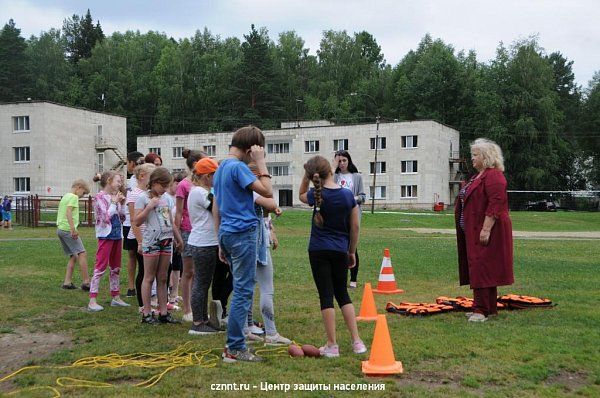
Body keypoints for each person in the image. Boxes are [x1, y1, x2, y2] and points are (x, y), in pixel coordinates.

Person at [213, 126, 273, 363]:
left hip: (228, 232)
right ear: (250, 149)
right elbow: (267, 193)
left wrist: (220, 240)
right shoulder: (238, 167)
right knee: (243, 291)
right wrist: (260, 163)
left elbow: (218, 205)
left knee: (240, 288)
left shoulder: (220, 167)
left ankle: (234, 343)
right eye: (257, 151)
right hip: (242, 233)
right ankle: (235, 347)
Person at [299, 155, 366, 358]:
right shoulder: (347, 196)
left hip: (318, 250)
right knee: (342, 294)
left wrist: (307, 175)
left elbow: (300, 194)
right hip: (340, 250)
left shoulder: (315, 194)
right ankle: (357, 342)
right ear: (331, 169)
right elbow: (355, 226)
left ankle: (332, 345)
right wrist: (351, 251)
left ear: (313, 176)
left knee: (326, 296)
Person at [455, 138, 514, 323]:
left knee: (482, 267)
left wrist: (486, 229)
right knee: (482, 267)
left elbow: (496, 203)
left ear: (486, 157)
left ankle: (480, 310)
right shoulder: (477, 176)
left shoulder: (494, 176)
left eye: (475, 155)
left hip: (488, 229)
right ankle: (488, 308)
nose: (472, 158)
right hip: (474, 229)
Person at [134, 167, 183, 325]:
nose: (164, 189)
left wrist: (178, 238)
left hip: (166, 241)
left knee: (163, 277)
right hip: (151, 241)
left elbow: (170, 220)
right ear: (154, 183)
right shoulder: (143, 198)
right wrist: (149, 207)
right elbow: (137, 221)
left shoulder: (167, 199)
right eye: (163, 186)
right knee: (149, 277)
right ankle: (147, 313)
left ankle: (163, 312)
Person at [186, 157, 222, 335]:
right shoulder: (200, 193)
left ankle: (203, 318)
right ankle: (198, 322)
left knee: (203, 282)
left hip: (204, 241)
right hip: (204, 243)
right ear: (207, 176)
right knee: (201, 283)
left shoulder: (200, 191)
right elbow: (218, 208)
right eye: (216, 175)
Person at [88, 171, 130, 312]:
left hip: (117, 235)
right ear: (109, 181)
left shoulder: (114, 197)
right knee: (100, 267)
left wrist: (122, 204)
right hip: (105, 236)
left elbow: (122, 217)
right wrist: (114, 202)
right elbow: (105, 217)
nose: (120, 184)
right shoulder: (99, 197)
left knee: (116, 268)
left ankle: (116, 297)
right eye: (118, 181)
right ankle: (92, 300)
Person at [175, 149, 206, 322]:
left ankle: (198, 308)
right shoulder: (184, 185)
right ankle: (187, 309)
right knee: (188, 272)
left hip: (202, 231)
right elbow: (179, 212)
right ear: (196, 165)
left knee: (199, 272)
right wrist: (178, 236)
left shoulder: (203, 184)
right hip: (187, 231)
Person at [332, 150, 365, 288]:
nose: (342, 163)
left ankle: (353, 279)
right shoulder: (334, 176)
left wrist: (351, 199)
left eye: (344, 160)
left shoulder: (356, 177)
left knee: (352, 247)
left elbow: (362, 197)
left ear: (349, 161)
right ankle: (339, 278)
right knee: (338, 247)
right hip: (337, 216)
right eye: (339, 161)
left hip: (352, 215)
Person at [126, 163, 156, 310]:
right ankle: (142, 304)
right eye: (153, 176)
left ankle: (150, 300)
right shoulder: (134, 194)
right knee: (144, 271)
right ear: (142, 176)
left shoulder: (149, 194)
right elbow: (133, 220)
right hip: (139, 238)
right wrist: (140, 242)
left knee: (149, 271)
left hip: (149, 237)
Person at [57, 180, 91, 290]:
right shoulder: (73, 197)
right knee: (82, 253)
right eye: (84, 193)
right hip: (68, 230)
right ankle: (86, 282)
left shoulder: (65, 196)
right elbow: (68, 212)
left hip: (60, 230)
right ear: (78, 188)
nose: (83, 196)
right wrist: (73, 229)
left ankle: (67, 282)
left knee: (73, 255)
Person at [123, 151, 145, 297]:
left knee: (141, 257)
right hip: (129, 221)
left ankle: (143, 285)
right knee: (132, 253)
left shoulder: (144, 181)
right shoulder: (131, 180)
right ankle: (131, 286)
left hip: (140, 220)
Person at [167, 170, 187, 310]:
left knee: (177, 265)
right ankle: (169, 294)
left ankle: (174, 293)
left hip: (178, 235)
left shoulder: (178, 198)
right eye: (177, 184)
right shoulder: (168, 198)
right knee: (169, 266)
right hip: (170, 236)